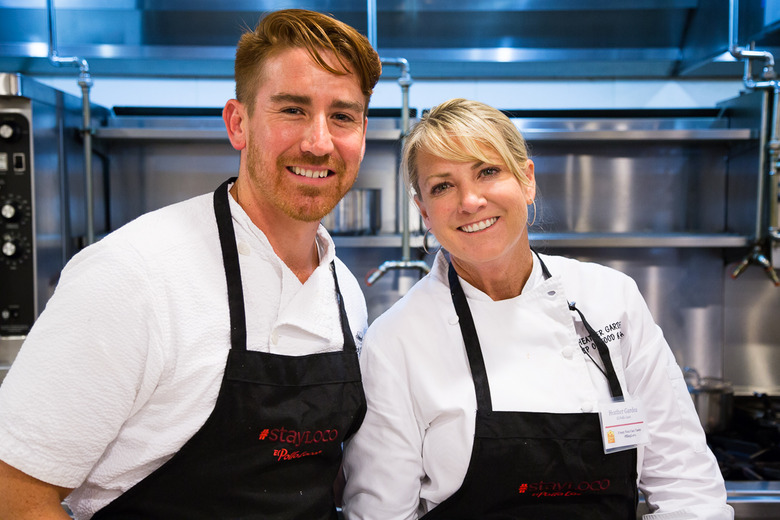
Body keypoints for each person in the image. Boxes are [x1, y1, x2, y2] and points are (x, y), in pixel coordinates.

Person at [0, 9, 381, 519]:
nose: (318, 141)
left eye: (342, 115)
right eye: (292, 109)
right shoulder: (132, 276)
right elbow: (14, 495)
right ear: (238, 123)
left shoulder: (344, 292)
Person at [342, 98, 733, 520]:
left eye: (487, 171)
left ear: (526, 181)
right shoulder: (396, 341)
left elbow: (687, 486)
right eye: (442, 186)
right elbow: (382, 515)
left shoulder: (611, 299)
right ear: (424, 212)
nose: (470, 201)